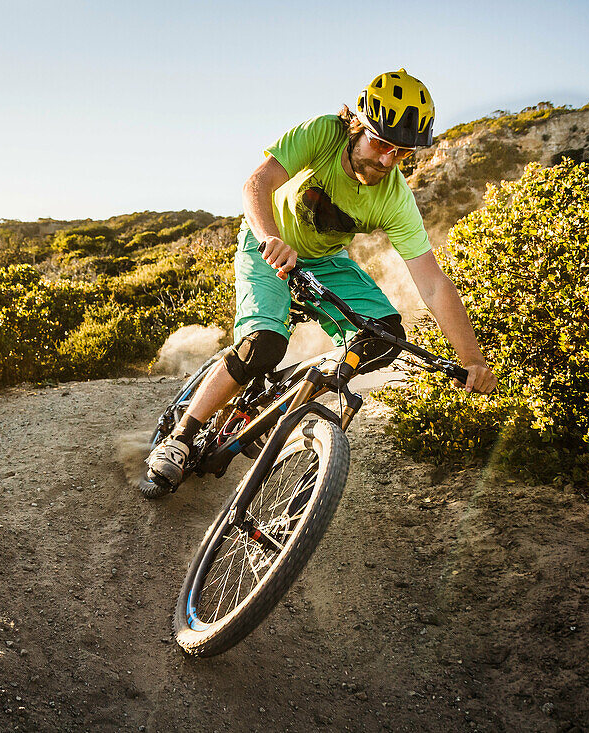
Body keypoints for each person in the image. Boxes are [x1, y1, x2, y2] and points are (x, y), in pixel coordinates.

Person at [147, 68, 498, 491]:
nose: (388, 161)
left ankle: (279, 403)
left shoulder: (394, 197)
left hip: (325, 260)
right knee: (264, 345)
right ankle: (180, 437)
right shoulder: (324, 134)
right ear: (357, 127)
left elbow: (433, 284)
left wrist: (472, 360)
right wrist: (270, 239)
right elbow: (256, 184)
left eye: (401, 153)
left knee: (382, 337)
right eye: (381, 143)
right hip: (267, 244)